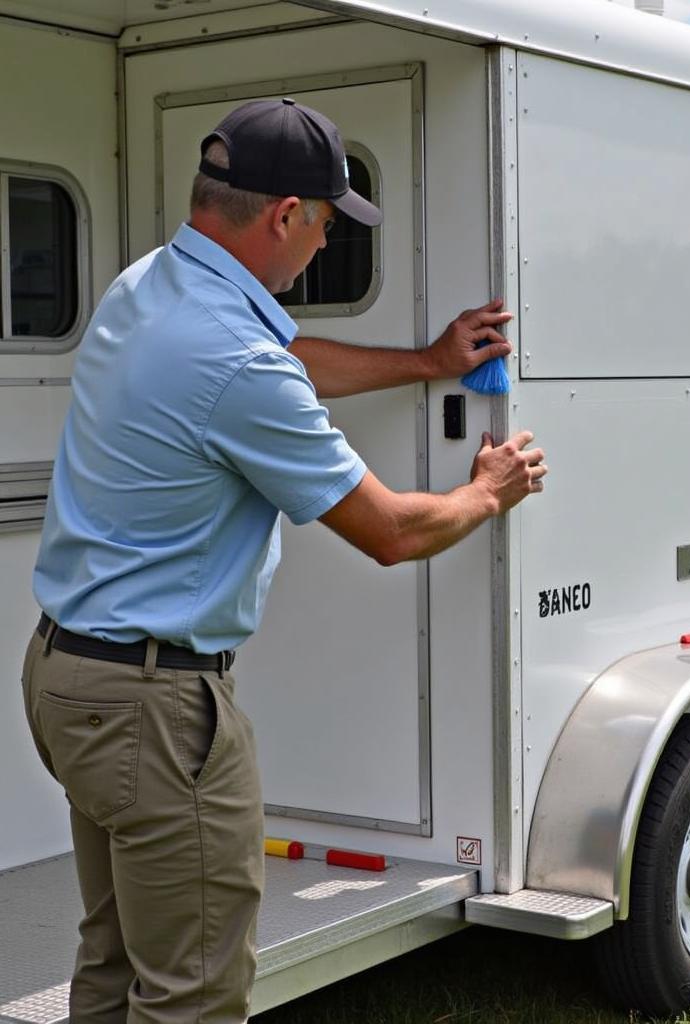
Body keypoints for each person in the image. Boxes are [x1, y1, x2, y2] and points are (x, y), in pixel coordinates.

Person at [21, 97, 546, 1024]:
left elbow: (282, 356)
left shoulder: (149, 286)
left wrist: (427, 362)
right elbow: (389, 531)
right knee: (193, 993)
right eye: (328, 224)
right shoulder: (233, 360)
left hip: (69, 677)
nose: (325, 244)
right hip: (153, 707)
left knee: (115, 965)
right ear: (284, 217)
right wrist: (486, 492)